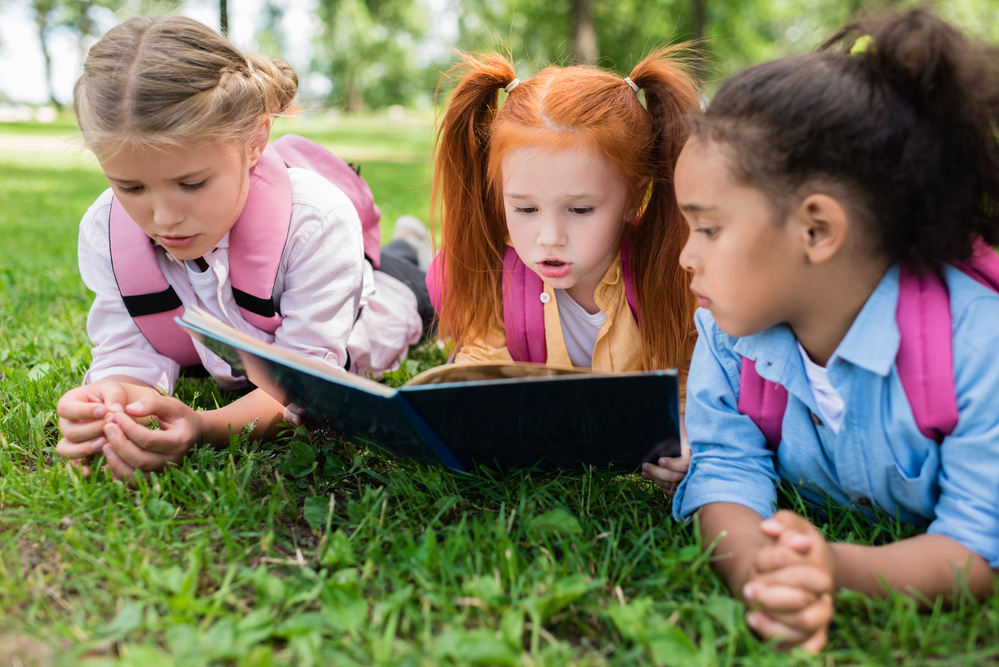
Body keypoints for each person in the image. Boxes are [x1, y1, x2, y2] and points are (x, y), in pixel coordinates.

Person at [672, 8, 999, 652]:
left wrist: (837, 569)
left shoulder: (977, 345)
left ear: (816, 230)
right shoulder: (728, 333)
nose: (686, 255)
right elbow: (724, 470)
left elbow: (977, 546)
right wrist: (762, 573)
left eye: (708, 228)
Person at [55, 16, 432, 480]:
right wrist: (111, 402)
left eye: (191, 184)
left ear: (255, 140)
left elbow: (309, 386)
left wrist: (204, 426)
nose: (165, 217)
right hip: (255, 328)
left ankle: (412, 249)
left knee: (425, 288)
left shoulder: (316, 222)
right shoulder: (104, 231)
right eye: (131, 187)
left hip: (376, 302)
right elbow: (129, 350)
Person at [428, 50, 700, 492]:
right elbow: (479, 379)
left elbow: (691, 394)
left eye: (580, 209)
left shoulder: (673, 280)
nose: (549, 236)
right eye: (525, 208)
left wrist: (688, 444)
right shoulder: (493, 273)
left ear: (635, 196)